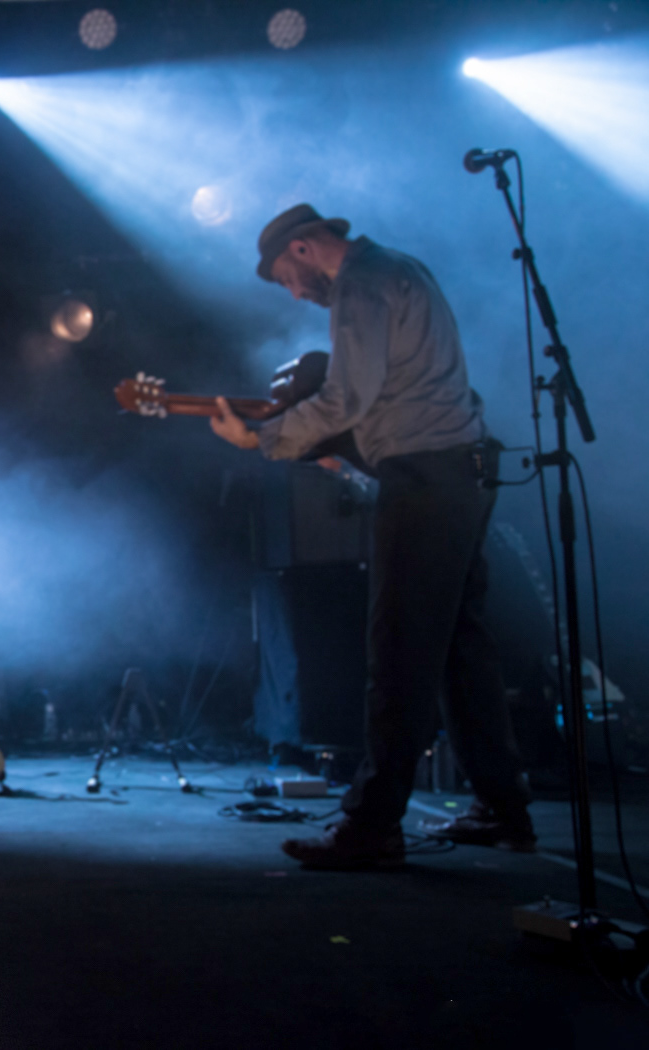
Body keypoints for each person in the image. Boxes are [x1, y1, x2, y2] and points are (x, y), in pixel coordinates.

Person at [209, 203, 533, 870]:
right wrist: (345, 452)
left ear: (304, 249)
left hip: (426, 482)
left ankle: (372, 826)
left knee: (399, 653)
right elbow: (390, 394)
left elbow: (344, 399)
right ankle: (503, 809)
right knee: (459, 650)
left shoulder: (361, 283)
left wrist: (262, 439)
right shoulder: (401, 267)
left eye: (287, 278)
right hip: (461, 470)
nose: (294, 294)